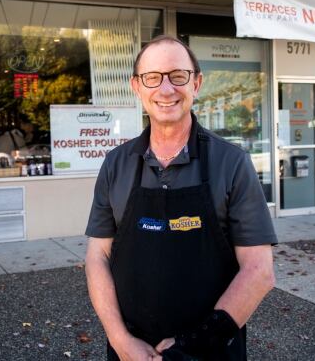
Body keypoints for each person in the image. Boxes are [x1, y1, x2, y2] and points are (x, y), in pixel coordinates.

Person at [85, 35, 277, 361]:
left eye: (178, 76)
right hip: (130, 352)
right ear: (137, 87)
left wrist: (193, 347)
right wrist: (120, 341)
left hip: (209, 352)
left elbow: (259, 270)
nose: (166, 89)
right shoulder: (116, 164)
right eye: (152, 78)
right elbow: (97, 257)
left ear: (197, 83)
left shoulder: (231, 163)